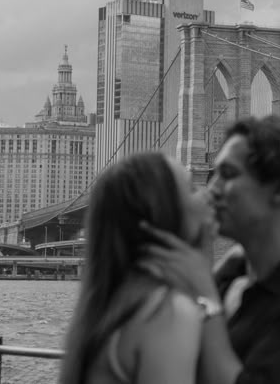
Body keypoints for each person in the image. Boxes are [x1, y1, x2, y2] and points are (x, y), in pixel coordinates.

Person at [141, 115, 280, 384]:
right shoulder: (229, 279)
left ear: (279, 188)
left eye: (228, 174)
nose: (212, 189)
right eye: (214, 175)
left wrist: (203, 291)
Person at [59, 150, 217, 384]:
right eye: (192, 189)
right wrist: (209, 297)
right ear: (164, 215)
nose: (207, 194)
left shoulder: (114, 303)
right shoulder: (165, 313)